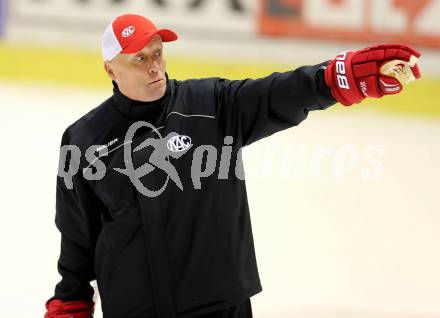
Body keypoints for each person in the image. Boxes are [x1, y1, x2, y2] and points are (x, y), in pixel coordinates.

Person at [44, 13, 421, 318]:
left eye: (157, 53)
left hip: (219, 305)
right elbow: (77, 233)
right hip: (134, 309)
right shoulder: (84, 140)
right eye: (139, 59)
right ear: (111, 70)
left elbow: (277, 93)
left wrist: (339, 76)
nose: (154, 67)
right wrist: (71, 299)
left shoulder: (211, 105)